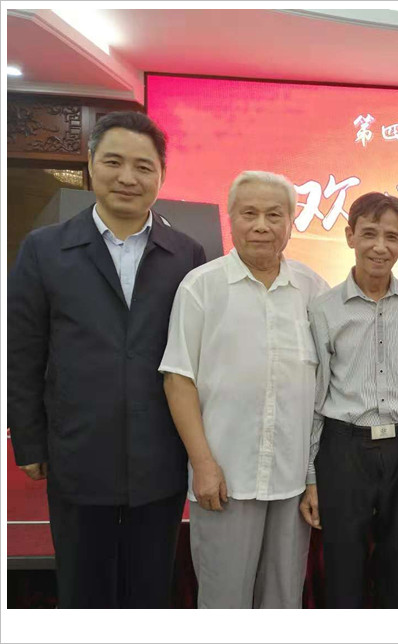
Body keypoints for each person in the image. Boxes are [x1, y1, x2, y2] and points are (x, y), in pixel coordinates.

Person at [7, 111, 207, 608]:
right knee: (82, 590)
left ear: (161, 175)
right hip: (78, 450)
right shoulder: (45, 249)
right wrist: (28, 440)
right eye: (114, 162)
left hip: (160, 453)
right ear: (90, 164)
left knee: (149, 590)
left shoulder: (186, 255)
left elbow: (199, 357)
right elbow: (23, 351)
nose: (127, 177)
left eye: (143, 166)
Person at [160, 171, 329, 608]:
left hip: (292, 482)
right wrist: (203, 464)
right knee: (223, 603)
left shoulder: (313, 290)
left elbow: (330, 385)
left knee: (283, 601)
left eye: (274, 215)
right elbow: (178, 379)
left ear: (291, 222)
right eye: (249, 213)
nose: (261, 226)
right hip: (224, 480)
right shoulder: (201, 287)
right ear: (231, 218)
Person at [299, 192, 398, 608]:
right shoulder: (324, 309)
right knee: (344, 568)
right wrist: (311, 475)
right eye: (369, 234)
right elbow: (317, 395)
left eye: (391, 237)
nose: (380, 247)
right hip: (344, 450)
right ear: (350, 236)